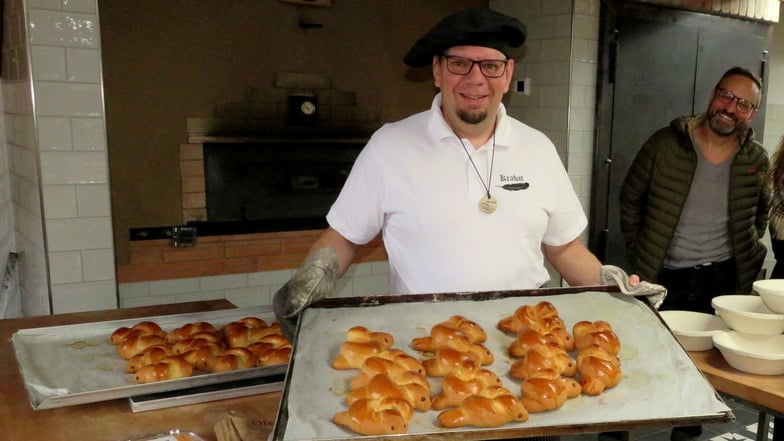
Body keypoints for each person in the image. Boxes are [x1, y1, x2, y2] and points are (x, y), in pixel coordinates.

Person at [273, 7, 646, 335]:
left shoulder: (538, 148)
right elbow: (346, 237)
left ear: (507, 72)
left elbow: (563, 247)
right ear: (437, 70)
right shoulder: (390, 146)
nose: (475, 79)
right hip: (423, 343)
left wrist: (611, 287)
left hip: (526, 343)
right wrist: (310, 278)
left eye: (490, 65)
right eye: (459, 64)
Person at [619, 66, 769, 441]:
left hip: (720, 279)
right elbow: (630, 200)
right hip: (662, 273)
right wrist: (643, 250)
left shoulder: (756, 160)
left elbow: (761, 213)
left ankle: (686, 433)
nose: (730, 107)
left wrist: (746, 251)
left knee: (700, 370)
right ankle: (617, 429)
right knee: (639, 357)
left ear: (751, 114)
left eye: (742, 103)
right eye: (725, 96)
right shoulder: (664, 144)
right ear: (712, 96)